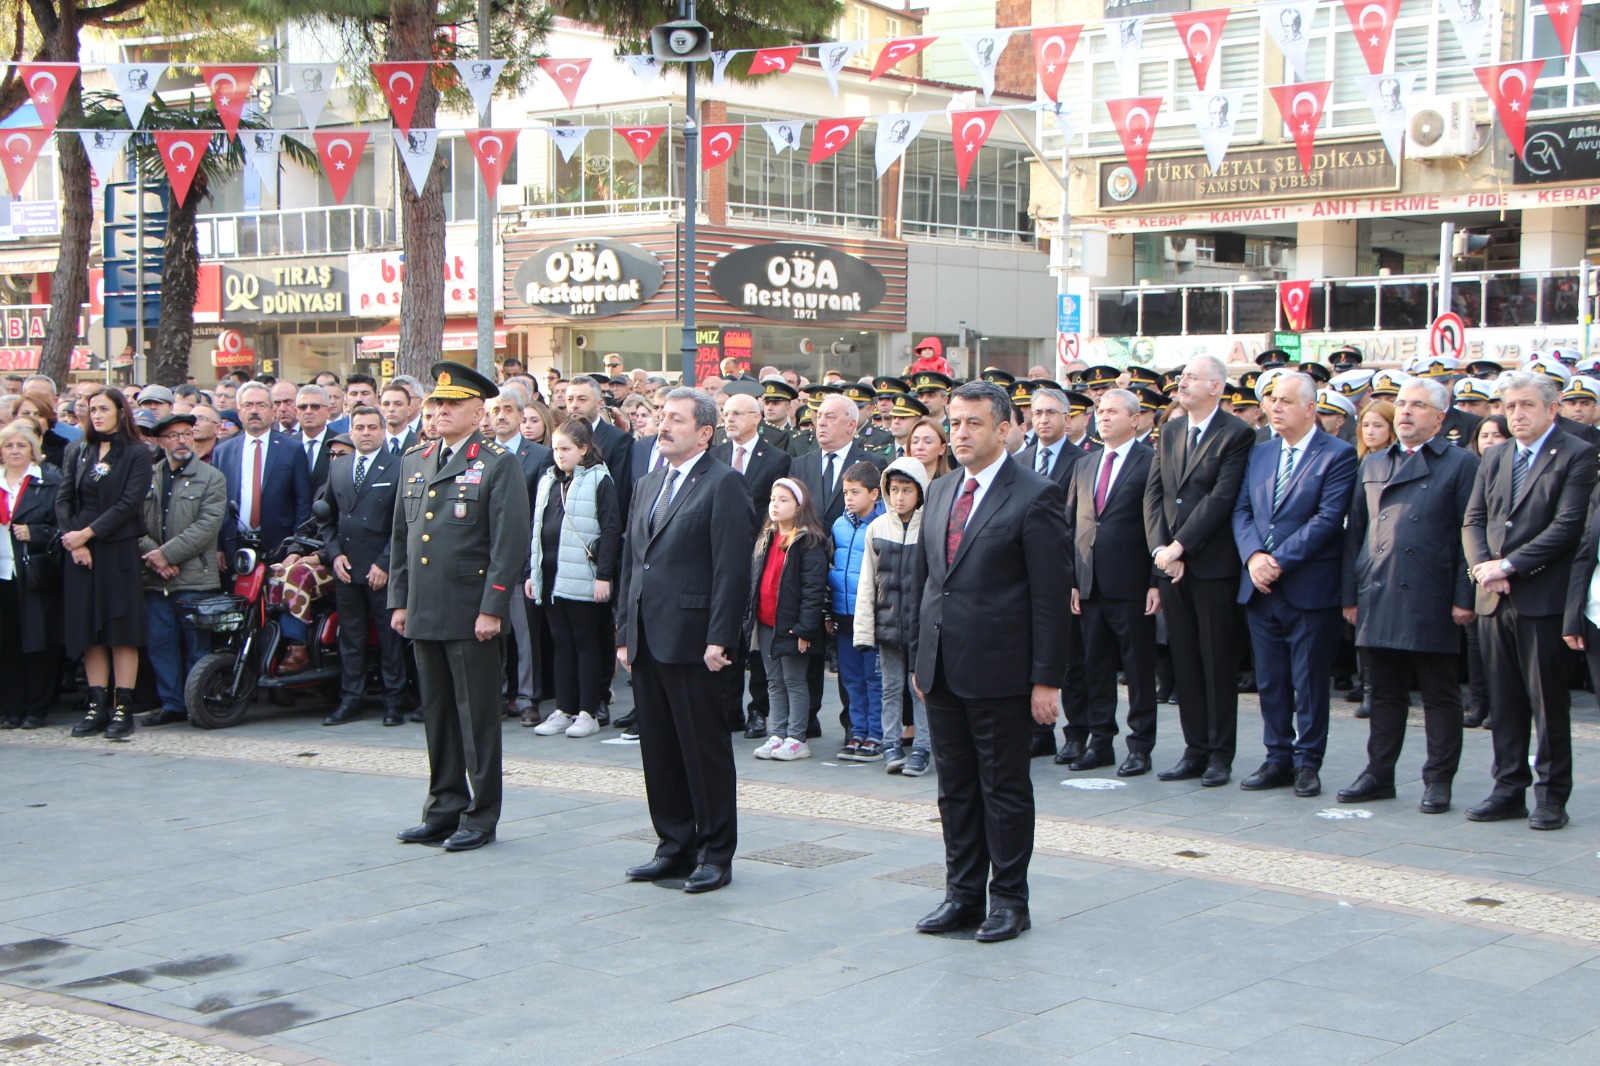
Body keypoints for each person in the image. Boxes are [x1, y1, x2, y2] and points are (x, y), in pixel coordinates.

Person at [913, 381, 1070, 943]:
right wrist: (918, 655)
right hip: (943, 666)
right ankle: (961, 895)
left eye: (973, 423)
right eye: (954, 422)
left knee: (1003, 788)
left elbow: (1051, 597)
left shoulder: (1035, 494)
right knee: (954, 788)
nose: (959, 434)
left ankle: (1008, 900)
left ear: (1003, 429)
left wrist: (1047, 679)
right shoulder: (941, 489)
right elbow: (928, 581)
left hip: (1002, 669)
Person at [616, 387, 754, 894]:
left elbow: (732, 570)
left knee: (703, 751)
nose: (663, 424)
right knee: (659, 748)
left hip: (697, 641)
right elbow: (633, 562)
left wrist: (721, 637)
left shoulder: (725, 484)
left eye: (675, 418)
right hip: (649, 639)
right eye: (660, 415)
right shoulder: (649, 482)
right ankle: (673, 846)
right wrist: (625, 633)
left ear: (704, 432)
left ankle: (716, 853)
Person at [389, 362, 531, 852]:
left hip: (471, 610)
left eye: (451, 404)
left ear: (478, 411)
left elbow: (508, 542)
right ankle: (443, 806)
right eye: (435, 403)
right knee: (439, 715)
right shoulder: (416, 458)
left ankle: (480, 814)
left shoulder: (495, 462)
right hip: (426, 607)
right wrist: (399, 600)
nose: (440, 411)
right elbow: (403, 538)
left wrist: (493, 607)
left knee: (476, 719)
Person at [1339, 380, 1478, 814]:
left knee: (1439, 694)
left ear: (1439, 417)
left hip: (1430, 592)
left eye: (1418, 405)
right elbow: (1356, 534)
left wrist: (1463, 596)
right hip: (1378, 590)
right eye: (1401, 404)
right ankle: (1378, 773)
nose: (1405, 412)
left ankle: (1438, 780)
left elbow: (1467, 535)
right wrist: (1350, 593)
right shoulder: (1375, 462)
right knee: (1382, 692)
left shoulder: (1460, 464)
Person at [1467, 372, 1596, 830]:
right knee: (1504, 701)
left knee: (1547, 703)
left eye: (1526, 406)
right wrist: (1485, 566)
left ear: (1551, 409)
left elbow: (1567, 527)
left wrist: (1510, 566)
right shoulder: (1497, 455)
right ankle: (1508, 789)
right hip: (1493, 596)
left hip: (1541, 596)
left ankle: (1550, 796)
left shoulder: (1577, 455)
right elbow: (1474, 519)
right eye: (1509, 406)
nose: (1516, 414)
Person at [1231, 372, 1357, 799]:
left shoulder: (1337, 454)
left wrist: (1278, 561)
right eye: (1271, 400)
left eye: (1285, 400)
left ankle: (1308, 761)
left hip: (1307, 585)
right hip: (1260, 586)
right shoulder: (1261, 452)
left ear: (1310, 408)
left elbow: (1327, 519)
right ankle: (1276, 756)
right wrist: (1253, 558)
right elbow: (1242, 511)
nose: (1275, 408)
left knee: (1309, 680)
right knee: (1271, 680)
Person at [1145, 357, 1255, 785]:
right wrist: (1159, 549)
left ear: (1216, 386)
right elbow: (1155, 494)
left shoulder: (1237, 433)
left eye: (1192, 378)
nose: (1182, 383)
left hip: (1210, 564)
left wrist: (1180, 546)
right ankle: (1194, 749)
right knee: (1185, 658)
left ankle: (1219, 754)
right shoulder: (1171, 430)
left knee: (1215, 660)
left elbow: (1220, 498)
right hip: (1171, 566)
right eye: (1182, 377)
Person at [1064, 390, 1159, 775]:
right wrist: (1071, 578)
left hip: (1132, 583)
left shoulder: (1151, 461)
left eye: (1112, 412)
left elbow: (1157, 523)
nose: (1103, 418)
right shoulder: (1085, 464)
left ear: (1135, 420)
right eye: (1099, 411)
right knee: (1094, 666)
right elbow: (1070, 524)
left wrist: (1156, 580)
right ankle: (1099, 741)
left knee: (1137, 669)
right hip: (1089, 583)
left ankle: (1140, 745)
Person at [58, 386, 155, 740]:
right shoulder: (78, 451)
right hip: (80, 552)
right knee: (89, 631)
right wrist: (74, 540)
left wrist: (89, 534)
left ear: (120, 412)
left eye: (103, 408)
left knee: (120, 630)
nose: (96, 414)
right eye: (91, 408)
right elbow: (64, 499)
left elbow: (129, 503)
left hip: (116, 549)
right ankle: (96, 705)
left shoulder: (136, 453)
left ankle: (122, 707)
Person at [528, 419, 623, 739]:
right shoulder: (548, 481)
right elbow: (537, 530)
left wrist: (604, 575)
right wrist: (533, 572)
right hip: (552, 574)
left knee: (586, 644)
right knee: (561, 645)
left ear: (583, 449)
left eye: (566, 449)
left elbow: (611, 530)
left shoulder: (599, 479)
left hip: (583, 574)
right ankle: (564, 707)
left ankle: (588, 709)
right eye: (556, 449)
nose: (559, 455)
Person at [317, 406, 409, 727]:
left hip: (382, 570)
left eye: (372, 427)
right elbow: (325, 517)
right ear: (350, 431)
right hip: (347, 568)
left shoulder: (399, 467)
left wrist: (384, 564)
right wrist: (334, 554)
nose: (366, 432)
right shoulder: (338, 467)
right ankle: (350, 700)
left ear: (383, 431)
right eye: (360, 427)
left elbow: (403, 524)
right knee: (351, 638)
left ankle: (394, 701)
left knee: (390, 639)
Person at [213, 381, 315, 670]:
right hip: (237, 545)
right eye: (247, 406)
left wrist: (296, 545)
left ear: (272, 410)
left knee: (277, 606)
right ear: (238, 411)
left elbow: (302, 503)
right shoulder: (224, 450)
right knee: (240, 610)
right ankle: (240, 672)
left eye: (260, 405)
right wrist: (220, 545)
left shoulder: (292, 449)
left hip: (279, 544)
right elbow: (219, 503)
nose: (254, 411)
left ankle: (280, 673)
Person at [138, 413, 227, 727]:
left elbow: (207, 526)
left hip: (195, 577)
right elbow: (134, 522)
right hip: (154, 577)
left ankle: (196, 704)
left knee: (196, 646)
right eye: (173, 436)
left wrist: (167, 554)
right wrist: (154, 555)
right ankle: (171, 703)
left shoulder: (211, 476)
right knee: (160, 641)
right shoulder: (147, 475)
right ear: (161, 441)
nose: (181, 441)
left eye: (187, 434)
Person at [712, 391, 792, 739]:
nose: (729, 419)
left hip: (760, 556)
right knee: (726, 634)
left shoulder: (776, 458)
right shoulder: (713, 455)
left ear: (757, 417)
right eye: (726, 413)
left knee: (758, 638)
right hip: (720, 557)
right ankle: (727, 709)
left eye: (737, 414)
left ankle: (759, 709)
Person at [854, 457, 933, 777]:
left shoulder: (929, 527)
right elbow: (866, 583)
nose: (900, 497)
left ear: (920, 493)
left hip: (920, 627)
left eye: (907, 490)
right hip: (888, 624)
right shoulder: (876, 527)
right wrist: (863, 631)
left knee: (921, 689)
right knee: (889, 687)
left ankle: (923, 748)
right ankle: (891, 744)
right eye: (894, 490)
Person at [746, 478, 829, 761]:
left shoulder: (808, 541)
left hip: (792, 625)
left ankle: (797, 736)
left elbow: (813, 589)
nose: (775, 505)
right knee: (774, 680)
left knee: (794, 679)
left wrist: (805, 628)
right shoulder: (766, 538)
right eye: (773, 498)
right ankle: (776, 733)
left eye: (783, 500)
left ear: (798, 506)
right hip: (767, 621)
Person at [0, 421, 62, 729]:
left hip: (34, 574)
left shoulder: (48, 483)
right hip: (2, 574)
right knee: (6, 644)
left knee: (37, 642)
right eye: (8, 445)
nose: (14, 451)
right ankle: (11, 708)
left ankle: (36, 708)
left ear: (33, 451)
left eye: (21, 445)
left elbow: (62, 527)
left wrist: (35, 533)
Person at [830, 461, 886, 760]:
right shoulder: (839, 524)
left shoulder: (882, 524)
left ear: (874, 493)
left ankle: (876, 734)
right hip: (843, 613)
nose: (848, 498)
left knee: (873, 678)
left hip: (871, 617)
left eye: (855, 492)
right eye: (845, 492)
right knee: (851, 678)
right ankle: (857, 731)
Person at [294, 384, 336, 491]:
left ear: (328, 411)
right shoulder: (287, 445)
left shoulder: (339, 443)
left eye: (315, 406)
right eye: (303, 407)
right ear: (296, 412)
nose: (308, 411)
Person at [16, 391, 70, 470]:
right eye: (25, 413)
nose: (32, 418)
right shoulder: (3, 443)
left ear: (48, 419)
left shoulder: (62, 447)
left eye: (38, 415)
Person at [907, 417, 951, 481]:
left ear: (942, 448)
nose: (919, 447)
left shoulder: (952, 483)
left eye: (928, 442)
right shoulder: (899, 478)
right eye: (915, 441)